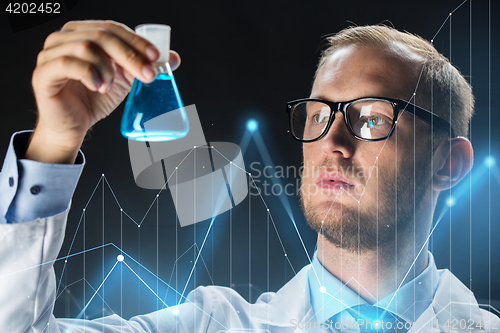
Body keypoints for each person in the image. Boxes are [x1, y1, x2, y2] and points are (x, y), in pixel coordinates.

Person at [0, 20, 498, 333]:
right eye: (318, 114)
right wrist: (53, 143)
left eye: (371, 119)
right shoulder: (213, 324)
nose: (333, 144)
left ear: (448, 164)